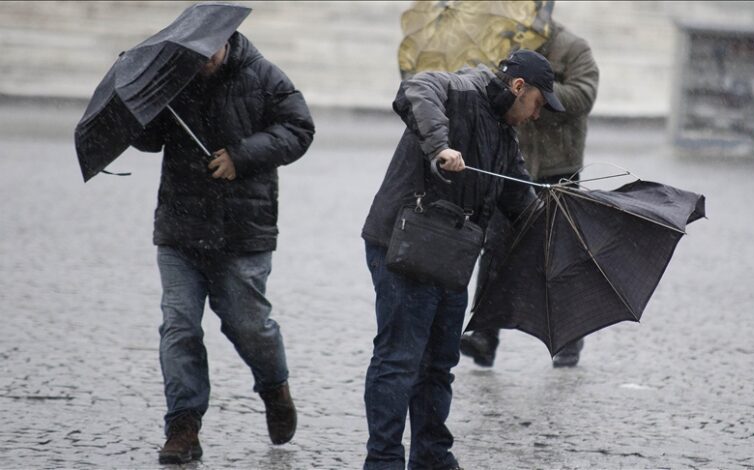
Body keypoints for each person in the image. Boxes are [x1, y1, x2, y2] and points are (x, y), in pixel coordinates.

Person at [360, 49, 564, 469]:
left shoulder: (505, 139)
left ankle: (432, 458)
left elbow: (521, 206)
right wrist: (440, 147)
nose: (536, 115)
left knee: (438, 365)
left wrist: (561, 214)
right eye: (538, 104)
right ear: (518, 87)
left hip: (449, 258)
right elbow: (416, 88)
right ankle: (382, 461)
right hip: (403, 245)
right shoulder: (461, 88)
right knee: (399, 359)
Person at [130, 31, 315, 464]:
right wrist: (140, 112)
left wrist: (241, 155)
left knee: (248, 324)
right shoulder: (171, 79)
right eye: (193, 55)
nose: (202, 61)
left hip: (242, 230)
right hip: (180, 227)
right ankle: (183, 427)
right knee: (179, 328)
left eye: (208, 53)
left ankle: (274, 387)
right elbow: (150, 140)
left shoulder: (264, 75)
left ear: (226, 40)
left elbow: (299, 128)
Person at [460, 18, 599, 369]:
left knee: (559, 252)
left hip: (558, 168)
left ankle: (568, 338)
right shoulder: (508, 46)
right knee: (494, 247)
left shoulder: (574, 48)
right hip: (513, 163)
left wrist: (540, 95)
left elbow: (584, 95)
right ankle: (484, 335)